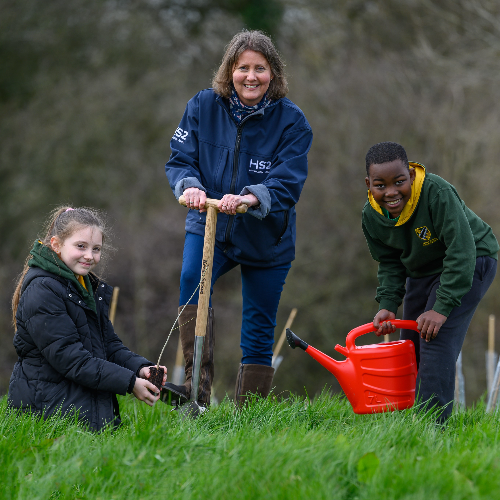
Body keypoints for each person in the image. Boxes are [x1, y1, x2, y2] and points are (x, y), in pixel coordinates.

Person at [163, 30, 313, 408]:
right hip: (210, 224)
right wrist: (190, 186)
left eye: (260, 69)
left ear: (273, 74)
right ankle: (196, 396)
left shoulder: (293, 123)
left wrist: (251, 197)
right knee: (190, 280)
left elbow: (287, 182)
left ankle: (250, 414)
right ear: (229, 71)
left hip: (267, 236)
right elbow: (181, 160)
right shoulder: (202, 106)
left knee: (259, 326)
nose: (251, 77)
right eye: (242, 67)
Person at [362, 141, 499, 422]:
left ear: (411, 176)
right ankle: (405, 420)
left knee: (434, 339)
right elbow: (390, 262)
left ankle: (430, 429)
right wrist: (388, 304)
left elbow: (462, 250)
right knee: (409, 345)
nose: (390, 192)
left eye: (399, 181)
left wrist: (442, 307)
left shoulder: (437, 192)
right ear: (369, 184)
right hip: (423, 270)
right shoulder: (372, 217)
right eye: (380, 185)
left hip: (473, 259)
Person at [8, 206, 167, 432]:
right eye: (80, 246)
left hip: (81, 412)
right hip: (47, 415)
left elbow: (108, 345)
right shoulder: (42, 290)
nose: (89, 256)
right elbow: (72, 359)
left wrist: (140, 368)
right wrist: (129, 383)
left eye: (96, 249)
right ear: (56, 245)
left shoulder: (84, 285)